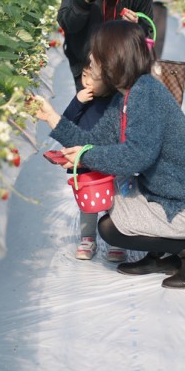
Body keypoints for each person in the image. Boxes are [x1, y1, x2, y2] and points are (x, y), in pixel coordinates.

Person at [35, 20, 185, 290]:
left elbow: (138, 156)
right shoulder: (124, 97)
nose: (89, 60)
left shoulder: (146, 94)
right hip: (168, 193)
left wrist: (86, 156)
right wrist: (52, 118)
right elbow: (94, 141)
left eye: (95, 55)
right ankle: (160, 256)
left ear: (112, 60)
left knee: (111, 228)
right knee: (115, 204)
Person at [60, 53, 124, 262]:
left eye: (92, 77)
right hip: (84, 159)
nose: (86, 82)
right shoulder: (82, 99)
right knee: (88, 202)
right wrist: (77, 102)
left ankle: (116, 240)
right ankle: (88, 239)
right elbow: (65, 123)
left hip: (108, 158)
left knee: (114, 201)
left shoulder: (116, 101)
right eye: (84, 75)